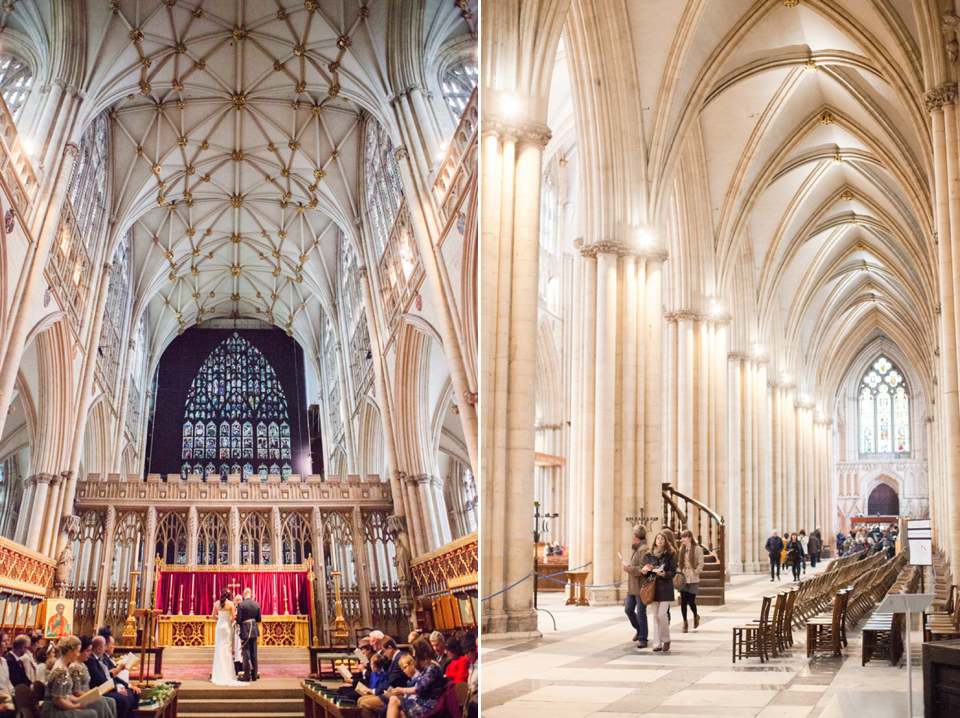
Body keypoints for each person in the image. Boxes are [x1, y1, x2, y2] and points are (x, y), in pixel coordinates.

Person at [387, 637, 447, 718]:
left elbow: (420, 689)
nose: (414, 655)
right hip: (422, 701)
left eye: (415, 651)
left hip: (428, 705)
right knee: (400, 713)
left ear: (420, 652)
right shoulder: (427, 666)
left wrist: (402, 690)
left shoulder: (432, 667)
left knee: (394, 700)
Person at [40, 636, 98, 718]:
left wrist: (78, 701)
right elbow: (57, 700)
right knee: (92, 713)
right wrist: (74, 707)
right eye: (77, 652)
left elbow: (63, 695)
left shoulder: (63, 666)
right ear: (69, 652)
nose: (78, 655)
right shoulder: (61, 670)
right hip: (53, 711)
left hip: (57, 707)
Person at [640, 530, 677, 652]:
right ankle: (657, 643)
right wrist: (645, 572)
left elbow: (673, 572)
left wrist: (665, 573)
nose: (659, 540)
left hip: (665, 588)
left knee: (662, 614)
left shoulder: (670, 554)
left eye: (662, 539)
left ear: (665, 541)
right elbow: (647, 573)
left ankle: (666, 639)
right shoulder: (649, 555)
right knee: (655, 616)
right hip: (653, 588)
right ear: (655, 542)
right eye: (657, 539)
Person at [85, 637, 136, 718]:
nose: (105, 648)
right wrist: (117, 689)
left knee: (131, 694)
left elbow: (107, 676)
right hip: (99, 689)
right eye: (104, 646)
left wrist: (124, 686)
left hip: (105, 686)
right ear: (98, 648)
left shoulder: (98, 658)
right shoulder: (91, 660)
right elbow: (100, 680)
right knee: (124, 700)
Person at [358, 638, 408, 718]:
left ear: (390, 648)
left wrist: (374, 691)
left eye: (384, 651)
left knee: (365, 703)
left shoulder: (399, 659)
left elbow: (391, 681)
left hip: (395, 693)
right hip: (390, 691)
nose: (384, 654)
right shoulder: (395, 658)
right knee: (361, 700)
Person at [69, 638, 116, 718]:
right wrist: (93, 695)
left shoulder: (83, 665)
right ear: (80, 652)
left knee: (111, 701)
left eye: (90, 651)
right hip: (79, 697)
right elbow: (76, 692)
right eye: (87, 651)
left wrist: (94, 693)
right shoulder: (74, 667)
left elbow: (87, 686)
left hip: (86, 694)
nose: (89, 654)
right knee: (101, 701)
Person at [621, 524, 650, 648]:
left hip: (640, 586)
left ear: (635, 535)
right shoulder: (637, 549)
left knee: (641, 612)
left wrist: (629, 569)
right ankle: (639, 630)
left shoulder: (643, 549)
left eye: (633, 533)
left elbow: (643, 569)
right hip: (632, 587)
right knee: (628, 609)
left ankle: (643, 638)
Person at [210, 589, 245, 686]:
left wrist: (220, 619)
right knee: (227, 649)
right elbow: (233, 617)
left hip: (219, 626)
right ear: (229, 595)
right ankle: (228, 673)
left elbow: (213, 616)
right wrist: (227, 620)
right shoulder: (230, 604)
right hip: (227, 626)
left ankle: (218, 673)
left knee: (219, 648)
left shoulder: (216, 603)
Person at [677, 529, 704, 633]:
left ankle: (695, 616)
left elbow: (701, 563)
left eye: (684, 537)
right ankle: (685, 622)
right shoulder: (681, 549)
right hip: (684, 578)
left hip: (693, 578)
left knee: (691, 601)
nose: (682, 539)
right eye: (681, 537)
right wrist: (679, 572)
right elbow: (680, 563)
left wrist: (696, 572)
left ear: (689, 538)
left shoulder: (697, 549)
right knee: (683, 601)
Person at [99, 636, 139, 702]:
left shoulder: (106, 658)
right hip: (110, 687)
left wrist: (128, 685)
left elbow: (113, 676)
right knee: (126, 697)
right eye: (113, 644)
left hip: (116, 684)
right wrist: (119, 688)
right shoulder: (102, 659)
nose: (114, 647)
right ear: (107, 646)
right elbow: (109, 677)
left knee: (135, 693)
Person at [236, 588, 261, 682]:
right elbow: (259, 619)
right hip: (254, 630)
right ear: (250, 594)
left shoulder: (241, 604)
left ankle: (247, 676)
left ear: (244, 594)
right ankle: (254, 675)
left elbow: (238, 620)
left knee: (246, 652)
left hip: (245, 630)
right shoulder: (256, 604)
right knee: (254, 653)